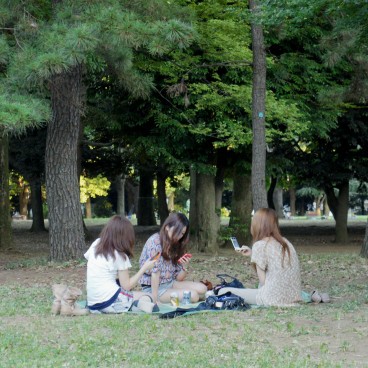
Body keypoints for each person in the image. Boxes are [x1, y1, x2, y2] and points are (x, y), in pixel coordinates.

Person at [219, 208, 301, 307]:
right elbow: (274, 258)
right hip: (292, 296)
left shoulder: (260, 245)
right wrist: (253, 254)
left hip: (271, 298)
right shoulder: (286, 243)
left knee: (223, 291)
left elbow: (262, 282)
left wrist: (255, 258)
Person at [85, 215, 157, 314]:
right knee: (150, 296)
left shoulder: (96, 244)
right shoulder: (120, 255)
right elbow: (127, 285)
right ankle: (137, 305)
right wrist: (144, 268)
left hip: (92, 303)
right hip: (111, 301)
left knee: (122, 288)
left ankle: (134, 304)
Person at [139, 212, 207, 304]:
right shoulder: (155, 242)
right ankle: (159, 298)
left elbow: (178, 278)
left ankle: (179, 296)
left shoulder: (175, 244)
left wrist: (184, 266)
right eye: (177, 232)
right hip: (153, 288)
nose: (179, 237)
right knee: (194, 296)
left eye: (182, 233)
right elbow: (155, 274)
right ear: (167, 227)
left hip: (170, 283)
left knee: (203, 288)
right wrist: (155, 300)